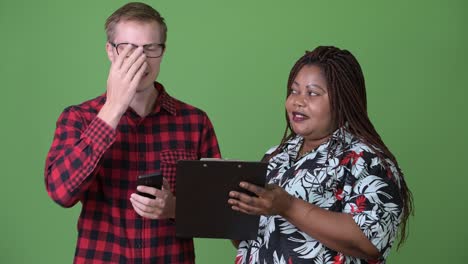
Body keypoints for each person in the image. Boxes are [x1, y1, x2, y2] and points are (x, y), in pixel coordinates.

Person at [44, 2, 220, 263]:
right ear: (110, 52)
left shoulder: (194, 122)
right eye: (128, 49)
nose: (140, 59)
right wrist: (113, 108)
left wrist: (175, 208)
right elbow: (61, 192)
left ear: (162, 52)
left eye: (150, 48)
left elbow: (218, 214)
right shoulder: (78, 118)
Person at [228, 46, 413, 263]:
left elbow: (371, 242)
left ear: (342, 100)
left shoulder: (367, 161)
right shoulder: (275, 156)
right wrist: (233, 203)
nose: (297, 101)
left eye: (312, 93)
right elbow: (252, 241)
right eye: (294, 90)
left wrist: (288, 206)